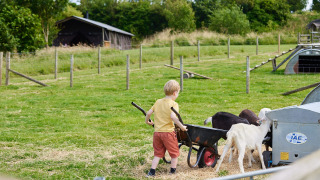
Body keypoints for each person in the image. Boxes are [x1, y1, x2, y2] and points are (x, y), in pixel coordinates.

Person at [144, 80, 188, 177]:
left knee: (157, 153)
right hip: (168, 133)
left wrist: (147, 121)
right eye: (178, 93)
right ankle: (172, 172)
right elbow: (173, 117)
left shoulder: (158, 101)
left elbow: (148, 113)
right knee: (174, 153)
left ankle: (152, 172)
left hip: (157, 133)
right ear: (174, 93)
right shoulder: (174, 104)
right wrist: (182, 127)